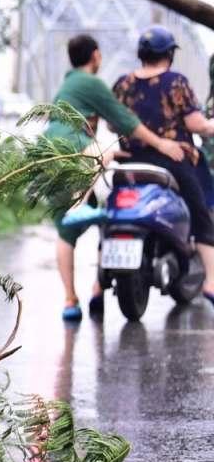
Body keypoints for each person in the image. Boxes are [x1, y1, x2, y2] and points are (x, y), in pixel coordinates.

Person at [43, 34, 184, 321]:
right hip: (73, 147)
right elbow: (125, 122)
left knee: (66, 231)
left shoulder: (66, 85)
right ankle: (78, 204)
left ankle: (72, 299)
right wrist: (162, 144)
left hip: (46, 150)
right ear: (96, 56)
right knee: (103, 156)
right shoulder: (90, 82)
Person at [111, 25, 214, 304]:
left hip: (130, 160)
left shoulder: (123, 83)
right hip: (172, 159)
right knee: (201, 212)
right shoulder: (176, 82)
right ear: (169, 53)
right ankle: (212, 283)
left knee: (110, 213)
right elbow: (197, 125)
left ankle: (98, 289)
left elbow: (111, 123)